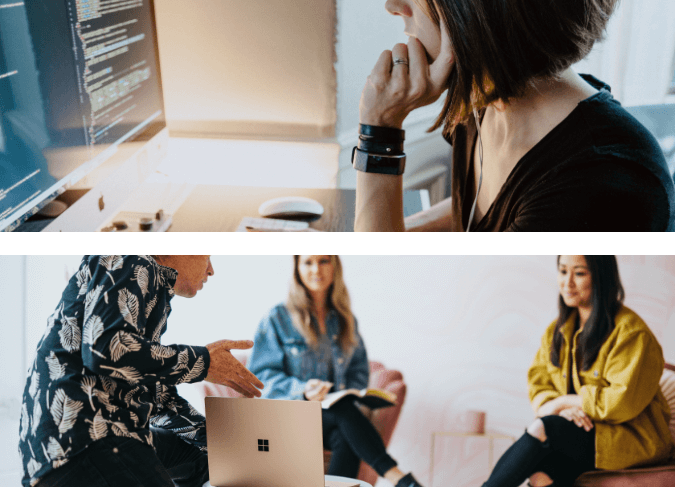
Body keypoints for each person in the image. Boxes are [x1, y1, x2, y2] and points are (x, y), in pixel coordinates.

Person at [354, 0, 675, 232]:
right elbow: (476, 213)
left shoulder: (596, 186)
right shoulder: (483, 102)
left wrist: (379, 128)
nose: (393, 5)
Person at [18, 255, 265, 487]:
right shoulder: (133, 259)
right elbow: (106, 348)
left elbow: (154, 392)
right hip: (84, 438)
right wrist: (202, 362)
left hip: (70, 446)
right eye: (207, 256)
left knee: (208, 456)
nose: (211, 270)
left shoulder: (143, 281)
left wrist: (223, 441)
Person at [481, 255, 675, 487]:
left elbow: (619, 403)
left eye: (579, 273)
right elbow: (539, 385)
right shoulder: (557, 330)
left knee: (545, 427)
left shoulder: (632, 333)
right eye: (563, 271)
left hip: (630, 440)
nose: (567, 282)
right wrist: (558, 408)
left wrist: (564, 403)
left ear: (601, 277)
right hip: (577, 437)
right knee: (541, 476)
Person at [247, 255, 424, 487]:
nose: (316, 269)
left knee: (344, 425)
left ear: (334, 267)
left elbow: (358, 373)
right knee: (343, 411)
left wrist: (352, 392)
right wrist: (304, 391)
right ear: (297, 269)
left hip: (333, 419)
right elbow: (260, 377)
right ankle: (397, 477)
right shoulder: (278, 318)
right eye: (308, 262)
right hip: (291, 417)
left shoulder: (345, 320)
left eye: (324, 261)